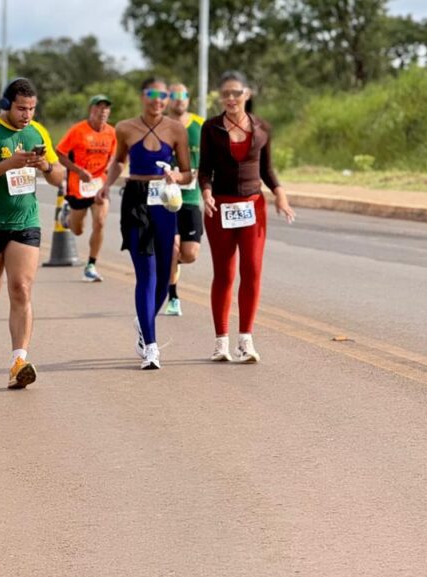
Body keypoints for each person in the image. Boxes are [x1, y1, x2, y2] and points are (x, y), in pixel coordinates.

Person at [0, 77, 65, 388]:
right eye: (21, 108)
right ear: (7, 105)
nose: (27, 115)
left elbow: (59, 176)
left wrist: (45, 166)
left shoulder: (38, 131)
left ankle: (18, 362)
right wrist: (9, 163)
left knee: (21, 288)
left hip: (26, 221)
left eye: (32, 109)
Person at [198, 71, 295, 363]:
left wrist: (280, 194)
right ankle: (221, 342)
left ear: (247, 94)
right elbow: (205, 170)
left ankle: (246, 341)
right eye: (225, 94)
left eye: (236, 93)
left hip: (253, 207)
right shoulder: (211, 127)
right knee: (224, 274)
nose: (230, 98)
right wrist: (206, 193)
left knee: (251, 271)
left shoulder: (262, 127)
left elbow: (267, 169)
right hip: (220, 208)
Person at [98, 77, 191, 370]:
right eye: (152, 94)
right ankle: (151, 346)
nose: (158, 100)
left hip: (164, 201)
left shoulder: (176, 129)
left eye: (163, 96)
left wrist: (176, 176)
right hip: (136, 200)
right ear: (143, 96)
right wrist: (106, 186)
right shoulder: (125, 128)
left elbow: (187, 173)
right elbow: (119, 161)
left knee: (165, 271)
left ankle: (144, 319)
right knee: (146, 273)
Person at [55, 94, 118, 282]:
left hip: (99, 186)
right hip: (78, 187)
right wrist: (78, 171)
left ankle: (91, 265)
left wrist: (109, 169)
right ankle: (67, 216)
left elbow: (116, 156)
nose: (103, 111)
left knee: (100, 222)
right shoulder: (78, 131)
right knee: (77, 230)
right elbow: (60, 153)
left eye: (106, 108)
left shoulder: (112, 133)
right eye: (99, 107)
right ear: (91, 110)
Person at [161, 83, 205, 316]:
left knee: (189, 254)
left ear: (188, 98)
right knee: (172, 247)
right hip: (166, 199)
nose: (179, 99)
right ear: (168, 98)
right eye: (175, 95)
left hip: (190, 198)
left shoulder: (200, 125)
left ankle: (170, 265)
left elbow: (211, 159)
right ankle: (173, 297)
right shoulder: (159, 125)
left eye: (183, 95)